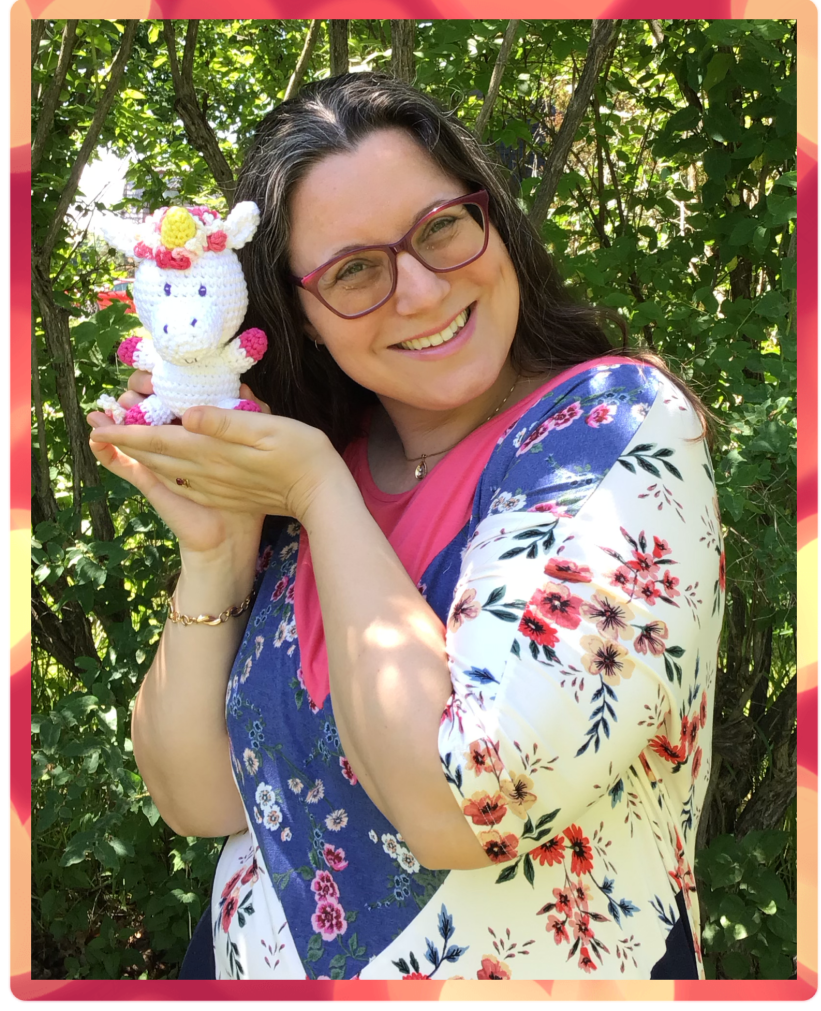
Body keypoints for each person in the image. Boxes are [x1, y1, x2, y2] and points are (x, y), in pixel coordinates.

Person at [87, 73, 724, 981]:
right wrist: (217, 544)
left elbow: (455, 811)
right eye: (354, 270)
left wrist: (317, 494)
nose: (422, 291)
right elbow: (202, 796)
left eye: (441, 228)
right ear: (296, 320)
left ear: (490, 217)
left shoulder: (613, 429)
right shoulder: (319, 461)